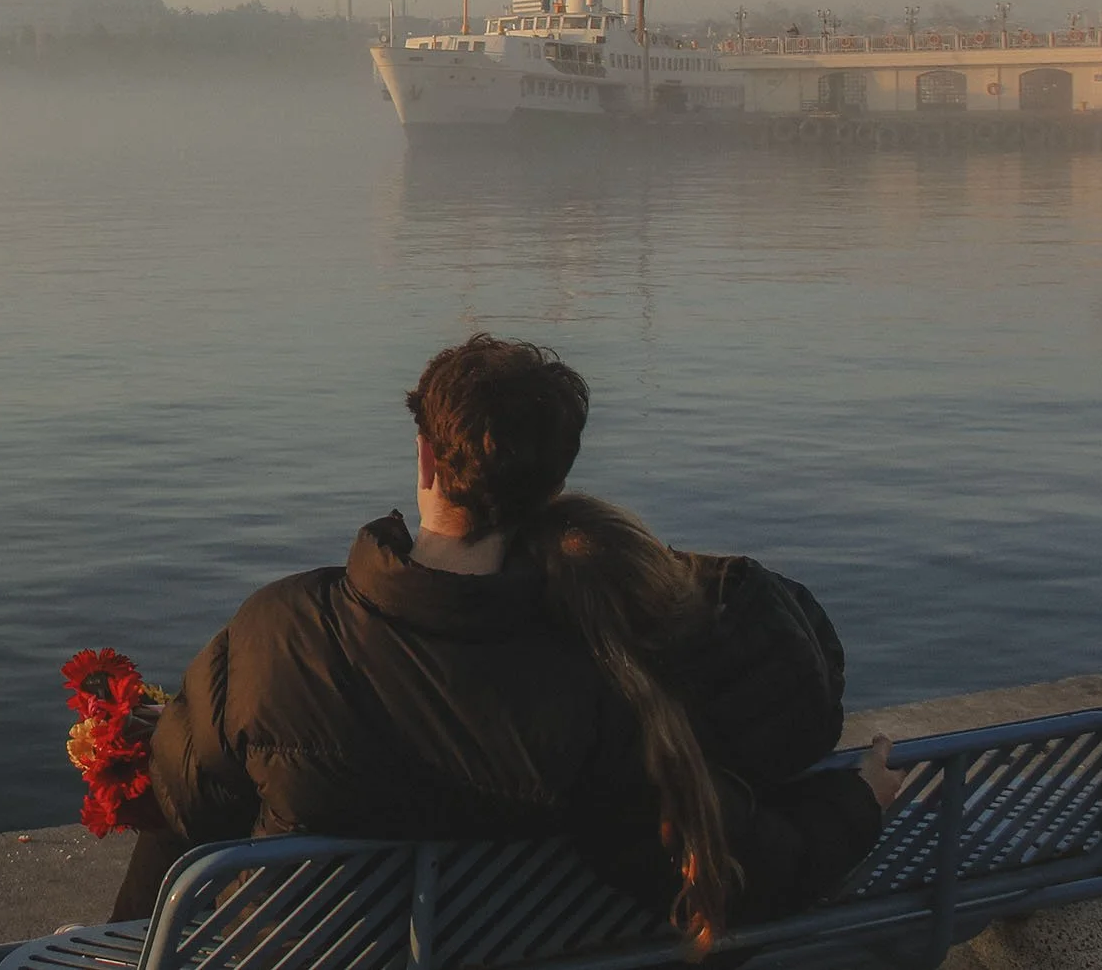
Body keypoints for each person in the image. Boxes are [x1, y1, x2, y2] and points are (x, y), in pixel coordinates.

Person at [124, 334, 903, 954]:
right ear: (555, 478)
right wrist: (856, 801)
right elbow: (729, 866)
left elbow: (182, 801)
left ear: (427, 455)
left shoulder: (276, 630)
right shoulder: (604, 679)